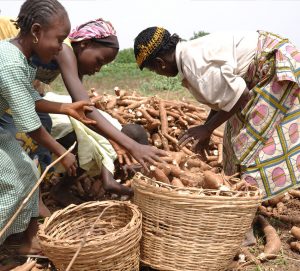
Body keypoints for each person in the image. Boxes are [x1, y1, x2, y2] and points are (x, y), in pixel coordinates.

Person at [0, 16, 166, 196]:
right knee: (26, 139)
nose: (98, 69)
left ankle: (33, 197)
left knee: (45, 129)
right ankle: (21, 195)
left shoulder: (72, 62)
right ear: (85, 44)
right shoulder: (64, 49)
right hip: (8, 95)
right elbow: (88, 110)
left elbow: (80, 110)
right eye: (99, 60)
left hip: (20, 96)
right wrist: (132, 146)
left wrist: (111, 140)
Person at [133, 27, 300, 201]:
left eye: (154, 70)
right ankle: (236, 193)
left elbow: (241, 96)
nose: (159, 74)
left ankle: (248, 202)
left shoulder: (194, 67)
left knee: (249, 143)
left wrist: (208, 129)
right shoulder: (189, 54)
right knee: (232, 137)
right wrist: (207, 128)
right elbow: (222, 96)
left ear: (160, 63)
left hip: (275, 66)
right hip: (266, 62)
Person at [0, 0, 96, 254]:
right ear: (36, 31)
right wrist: (62, 153)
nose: (60, 48)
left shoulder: (16, 56)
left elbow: (26, 97)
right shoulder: (10, 61)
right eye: (59, 39)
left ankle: (24, 242)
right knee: (11, 183)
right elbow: (30, 124)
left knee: (29, 173)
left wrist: (64, 108)